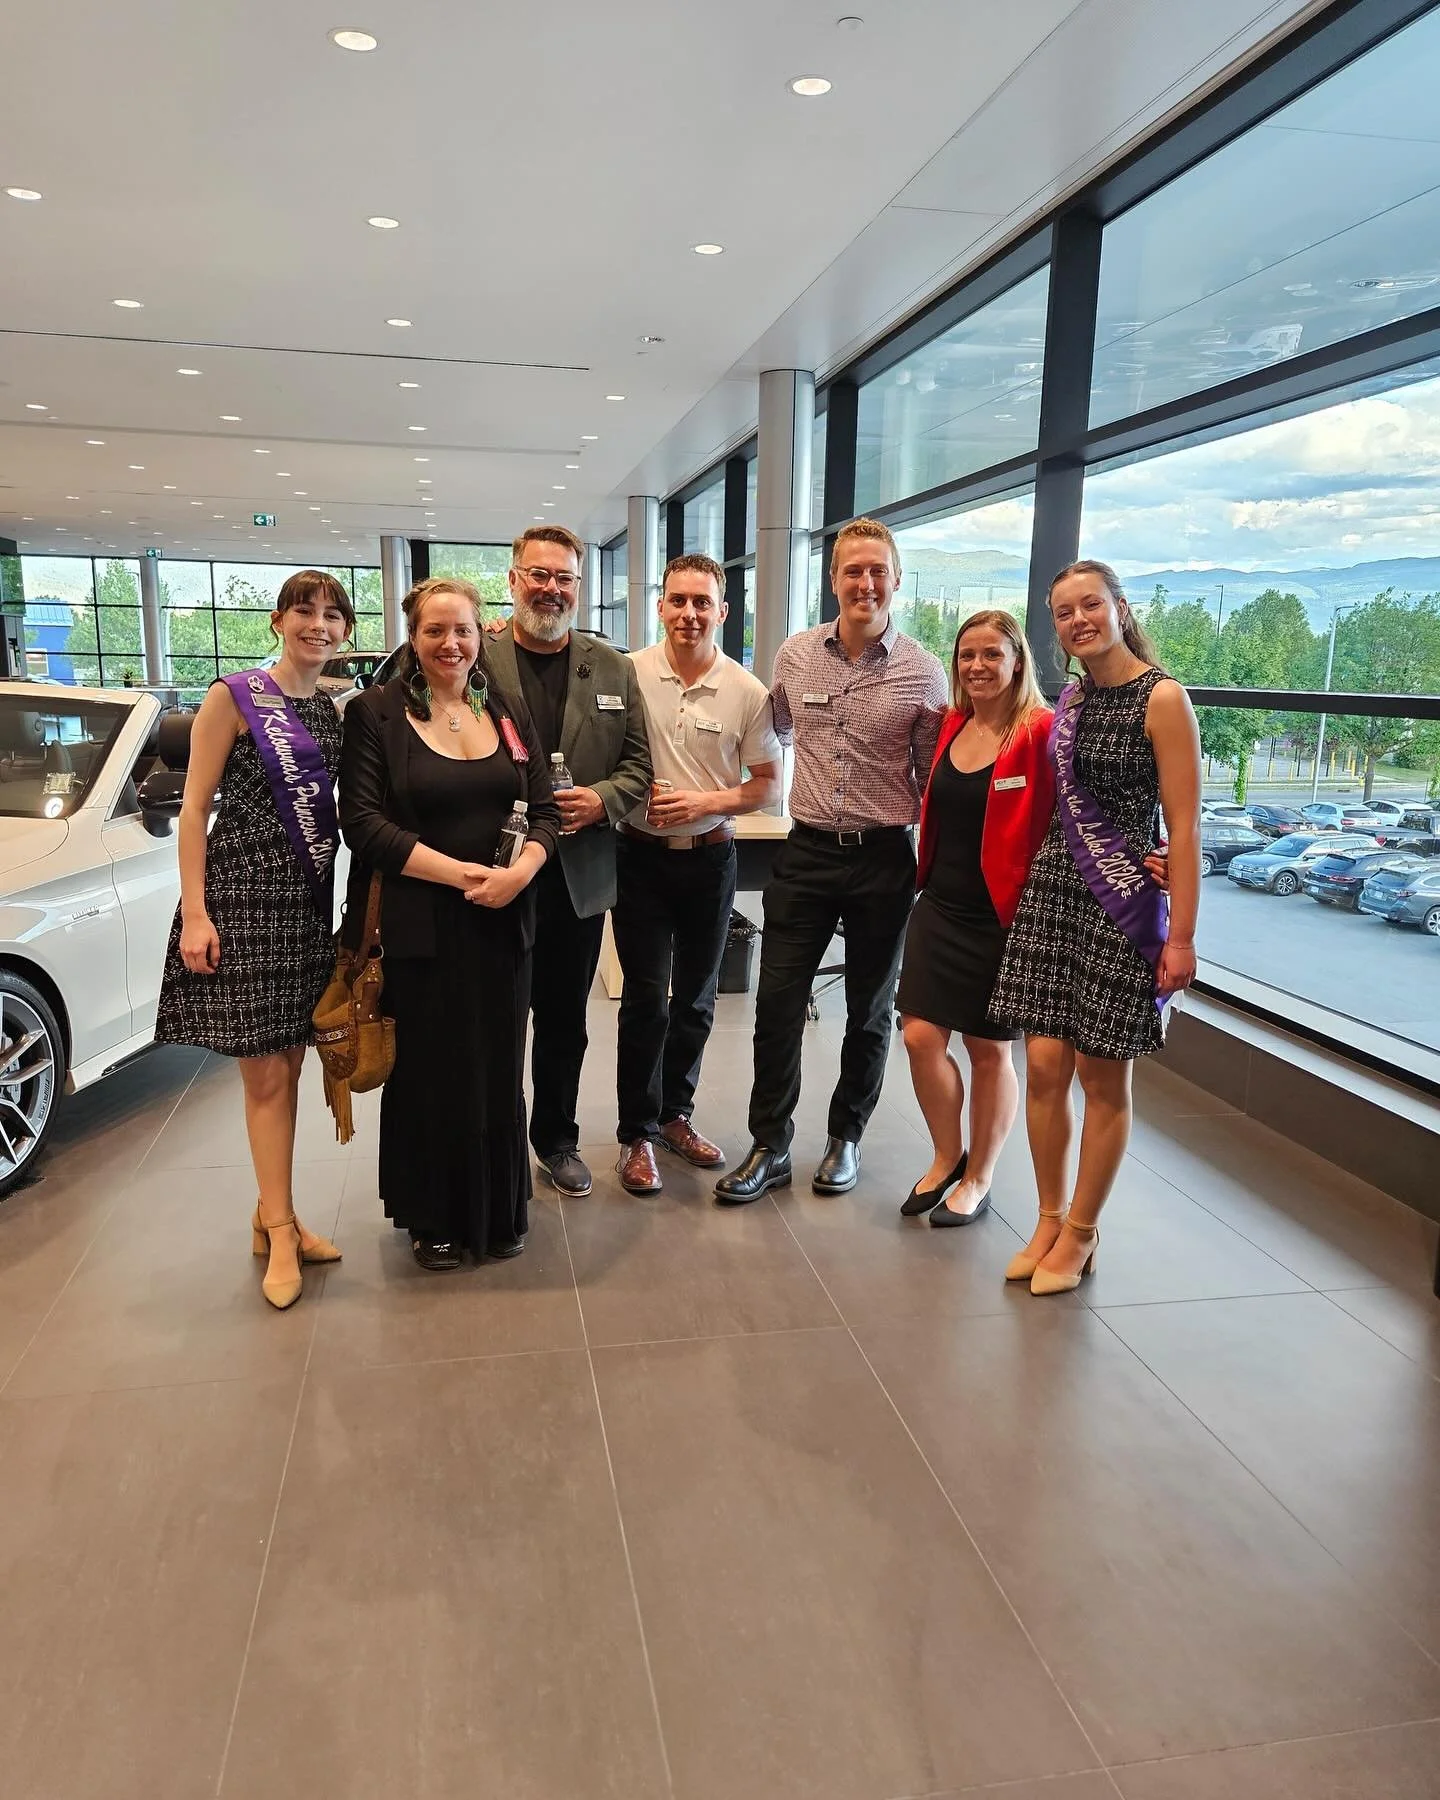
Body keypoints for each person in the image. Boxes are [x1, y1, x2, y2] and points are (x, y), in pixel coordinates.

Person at [716, 517, 948, 1204]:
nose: (865, 582)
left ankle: (846, 1136)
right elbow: (779, 730)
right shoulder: (794, 656)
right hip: (809, 850)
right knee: (778, 1001)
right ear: (834, 579)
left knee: (871, 1009)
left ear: (896, 579)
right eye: (853, 570)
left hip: (883, 857)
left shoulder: (925, 672)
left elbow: (936, 776)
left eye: (878, 570)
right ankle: (770, 1144)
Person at [989, 559, 1201, 1294]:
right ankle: (1048, 1217)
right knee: (1044, 1066)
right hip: (1057, 889)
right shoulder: (1072, 699)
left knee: (1101, 1073)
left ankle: (1082, 1233)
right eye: (1064, 612)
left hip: (1122, 904)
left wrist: (1181, 937)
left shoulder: (1163, 698)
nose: (1078, 620)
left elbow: (1184, 824)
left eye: (1090, 605)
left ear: (1119, 608)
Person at [338, 577, 561, 1270]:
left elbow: (547, 811)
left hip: (505, 925)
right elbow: (364, 825)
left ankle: (497, 1211)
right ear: (413, 637)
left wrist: (520, 872)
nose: (450, 643)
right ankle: (431, 1215)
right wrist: (465, 875)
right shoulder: (374, 714)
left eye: (462, 630)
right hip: (423, 927)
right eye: (435, 631)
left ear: (481, 634)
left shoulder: (505, 713)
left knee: (498, 1069)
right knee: (431, 1073)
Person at [155, 569, 354, 1310]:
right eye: (305, 612)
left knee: (291, 1065)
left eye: (333, 616)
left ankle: (276, 1211)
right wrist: (196, 913)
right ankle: (279, 1229)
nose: (319, 625)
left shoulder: (333, 714)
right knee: (265, 1074)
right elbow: (192, 810)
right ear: (278, 621)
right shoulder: (232, 697)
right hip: (239, 905)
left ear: (346, 634)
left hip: (302, 909)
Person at [484, 526, 651, 1199]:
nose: (551, 589)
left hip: (577, 876)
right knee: (493, 1015)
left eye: (565, 579)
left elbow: (640, 764)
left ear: (579, 587)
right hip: (491, 872)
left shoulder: (612, 666)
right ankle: (491, 1140)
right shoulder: (475, 653)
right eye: (539, 575)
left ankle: (555, 1138)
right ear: (514, 579)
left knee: (563, 1019)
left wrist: (603, 800)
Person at [612, 554, 781, 1194]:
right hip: (639, 859)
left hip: (710, 860)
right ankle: (637, 1134)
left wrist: (706, 802)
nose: (689, 613)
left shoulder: (747, 691)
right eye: (677, 600)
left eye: (701, 602)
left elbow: (769, 785)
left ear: (721, 611)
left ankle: (676, 1115)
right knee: (646, 997)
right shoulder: (626, 675)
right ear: (660, 605)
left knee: (697, 999)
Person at [895, 610, 1054, 1227]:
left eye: (992, 655)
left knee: (989, 1050)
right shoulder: (952, 724)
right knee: (919, 1037)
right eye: (968, 656)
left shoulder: (1040, 731)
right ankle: (946, 1155)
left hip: (1002, 915)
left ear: (1017, 661)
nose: (978, 667)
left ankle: (980, 1176)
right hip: (938, 903)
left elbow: (1074, 815)